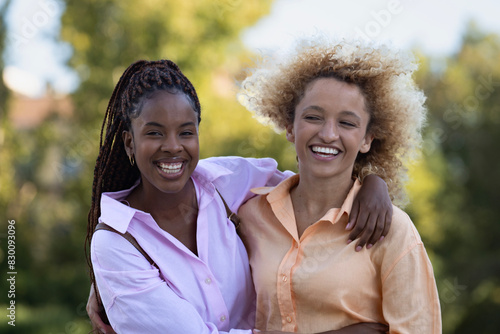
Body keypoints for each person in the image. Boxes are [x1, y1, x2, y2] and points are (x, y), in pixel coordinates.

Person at [86, 59, 393, 334]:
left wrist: (372, 182)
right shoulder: (116, 243)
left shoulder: (222, 182)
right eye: (154, 133)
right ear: (129, 142)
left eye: (186, 132)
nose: (172, 146)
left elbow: (313, 188)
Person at [237, 37, 442, 333]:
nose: (328, 134)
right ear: (290, 127)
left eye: (347, 123)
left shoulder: (392, 230)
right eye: (313, 117)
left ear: (367, 139)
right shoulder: (250, 216)